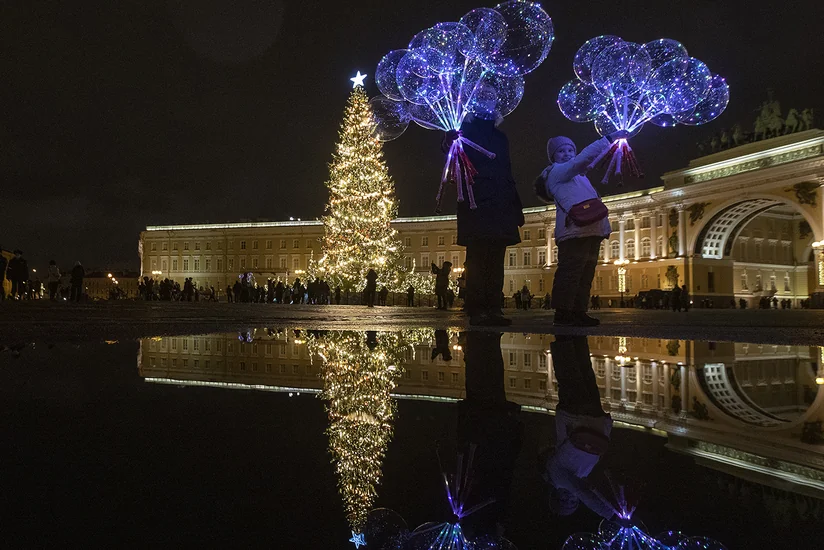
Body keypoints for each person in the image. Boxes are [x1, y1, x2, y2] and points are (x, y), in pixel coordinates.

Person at [443, 83, 524, 326]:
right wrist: (448, 141)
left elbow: (508, 171)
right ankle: (477, 308)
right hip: (476, 201)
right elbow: (451, 154)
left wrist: (515, 205)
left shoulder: (501, 137)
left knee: (497, 258)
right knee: (478, 258)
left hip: (501, 203)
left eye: (490, 97)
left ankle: (494, 308)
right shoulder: (463, 130)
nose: (487, 101)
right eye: (482, 97)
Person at [535, 131, 628, 327]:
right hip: (573, 231)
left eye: (570, 150)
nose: (567, 154)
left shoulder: (580, 177)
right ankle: (563, 313)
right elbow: (584, 158)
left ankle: (579, 311)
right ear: (553, 156)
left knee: (586, 274)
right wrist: (608, 139)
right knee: (570, 272)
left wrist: (603, 227)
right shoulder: (557, 172)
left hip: (592, 229)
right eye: (561, 151)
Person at [544, 335, 617, 521]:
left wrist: (611, 515)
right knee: (585, 372)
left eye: (563, 501)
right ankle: (577, 335)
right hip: (593, 418)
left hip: (575, 416)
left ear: (555, 495)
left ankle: (563, 333)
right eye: (573, 502)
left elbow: (582, 491)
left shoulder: (558, 477)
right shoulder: (582, 475)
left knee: (570, 374)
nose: (569, 498)